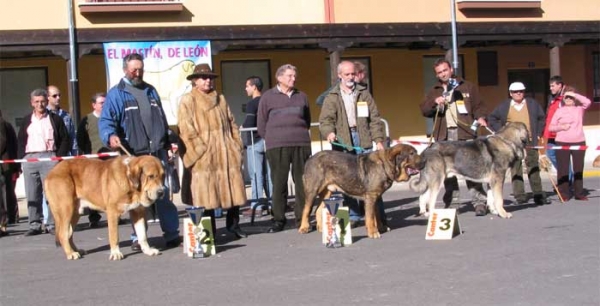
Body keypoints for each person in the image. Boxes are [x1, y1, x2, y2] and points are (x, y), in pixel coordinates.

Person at [99, 53, 180, 251]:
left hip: (156, 152)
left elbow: (161, 118)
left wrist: (168, 141)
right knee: (136, 198)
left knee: (163, 194)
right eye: (134, 69)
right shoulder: (116, 94)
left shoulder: (150, 91)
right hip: (134, 155)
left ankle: (171, 234)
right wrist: (110, 136)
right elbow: (106, 121)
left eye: (141, 69)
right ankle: (138, 238)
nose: (138, 72)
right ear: (125, 69)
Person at [177, 63, 248, 239]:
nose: (208, 81)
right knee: (206, 196)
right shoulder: (188, 100)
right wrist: (199, 150)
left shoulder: (221, 99)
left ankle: (233, 226)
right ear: (195, 80)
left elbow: (232, 123)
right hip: (204, 157)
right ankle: (208, 232)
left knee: (233, 190)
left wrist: (235, 145)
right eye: (204, 77)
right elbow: (185, 128)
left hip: (226, 154)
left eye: (210, 77)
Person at [319, 60, 387, 228]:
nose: (351, 77)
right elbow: (325, 120)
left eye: (353, 74)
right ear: (339, 75)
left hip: (363, 139)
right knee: (347, 179)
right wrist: (329, 132)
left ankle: (378, 219)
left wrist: (378, 140)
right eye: (347, 74)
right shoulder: (332, 96)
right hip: (343, 142)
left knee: (373, 180)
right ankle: (354, 215)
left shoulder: (364, 93)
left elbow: (375, 119)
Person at [419, 58, 489, 216]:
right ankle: (452, 202)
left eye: (445, 70)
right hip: (444, 135)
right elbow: (424, 110)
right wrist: (434, 103)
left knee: (472, 169)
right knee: (447, 173)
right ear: (436, 75)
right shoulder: (434, 91)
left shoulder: (468, 86)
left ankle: (479, 202)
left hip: (465, 133)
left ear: (451, 69)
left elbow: (480, 106)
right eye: (439, 72)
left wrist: (481, 117)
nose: (443, 74)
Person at [257, 64, 312, 233]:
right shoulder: (267, 97)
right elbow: (261, 124)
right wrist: (273, 138)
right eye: (289, 76)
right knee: (279, 183)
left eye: (294, 76)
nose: (293, 79)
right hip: (277, 145)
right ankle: (278, 219)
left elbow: (307, 120)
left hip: (300, 144)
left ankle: (301, 218)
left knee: (302, 183)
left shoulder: (302, 96)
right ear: (279, 78)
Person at [17, 88, 70, 236]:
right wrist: (23, 158)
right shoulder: (27, 120)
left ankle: (52, 224)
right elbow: (21, 139)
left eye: (42, 101)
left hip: (49, 158)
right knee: (32, 194)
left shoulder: (55, 119)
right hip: (30, 159)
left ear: (47, 102)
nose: (40, 104)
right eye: (37, 102)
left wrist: (58, 157)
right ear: (32, 103)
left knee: (51, 194)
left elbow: (65, 139)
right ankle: (34, 224)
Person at [488, 82, 551, 205]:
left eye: (521, 91)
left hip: (530, 140)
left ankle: (538, 194)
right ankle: (520, 195)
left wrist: (538, 132)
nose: (519, 93)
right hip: (512, 143)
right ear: (511, 93)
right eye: (516, 92)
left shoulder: (532, 104)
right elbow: (492, 118)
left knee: (533, 167)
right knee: (515, 168)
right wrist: (501, 131)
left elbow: (541, 118)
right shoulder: (504, 106)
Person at [548, 87, 591, 201]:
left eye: (571, 97)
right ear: (563, 98)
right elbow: (551, 127)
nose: (568, 99)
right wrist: (561, 127)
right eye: (566, 97)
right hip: (562, 142)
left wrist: (574, 94)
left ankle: (579, 193)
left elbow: (588, 102)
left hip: (579, 141)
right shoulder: (559, 111)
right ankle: (564, 193)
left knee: (578, 168)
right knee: (563, 169)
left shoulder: (579, 109)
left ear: (575, 98)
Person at [77, 92, 110, 228]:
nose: (104, 105)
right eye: (101, 103)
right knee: (93, 187)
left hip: (111, 158)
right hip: (94, 159)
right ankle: (94, 217)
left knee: (110, 187)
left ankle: (113, 215)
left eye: (105, 102)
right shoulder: (87, 120)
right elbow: (80, 139)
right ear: (94, 105)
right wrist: (87, 154)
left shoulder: (110, 118)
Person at [242, 76, 272, 216]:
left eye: (247, 86)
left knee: (256, 175)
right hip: (269, 140)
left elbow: (249, 123)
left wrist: (241, 127)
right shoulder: (268, 101)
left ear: (254, 87)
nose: (246, 89)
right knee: (270, 175)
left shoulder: (252, 104)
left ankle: (256, 206)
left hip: (255, 141)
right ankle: (273, 204)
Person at [0, 110, 20, 224]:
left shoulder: (1, 123)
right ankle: (12, 216)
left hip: (4, 164)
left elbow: (2, 140)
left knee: (5, 191)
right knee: (8, 191)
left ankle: (8, 217)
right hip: (8, 164)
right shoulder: (7, 124)